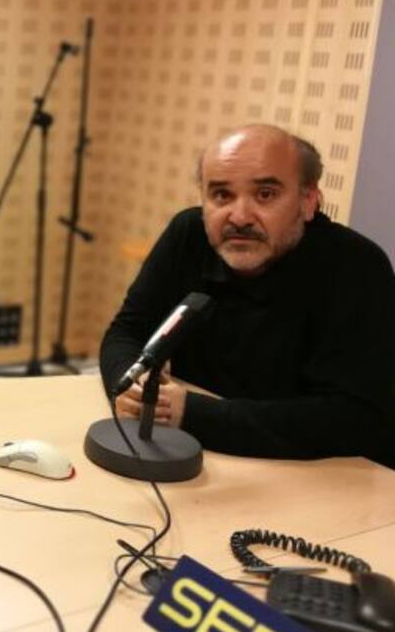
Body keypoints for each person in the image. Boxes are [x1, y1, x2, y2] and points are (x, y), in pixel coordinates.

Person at [100, 124, 394, 467]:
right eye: (222, 195)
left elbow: (354, 419)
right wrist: (131, 386)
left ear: (309, 200)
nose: (239, 217)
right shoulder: (188, 235)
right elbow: (127, 331)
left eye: (265, 194)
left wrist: (190, 413)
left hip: (325, 475)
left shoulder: (357, 265)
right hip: (203, 457)